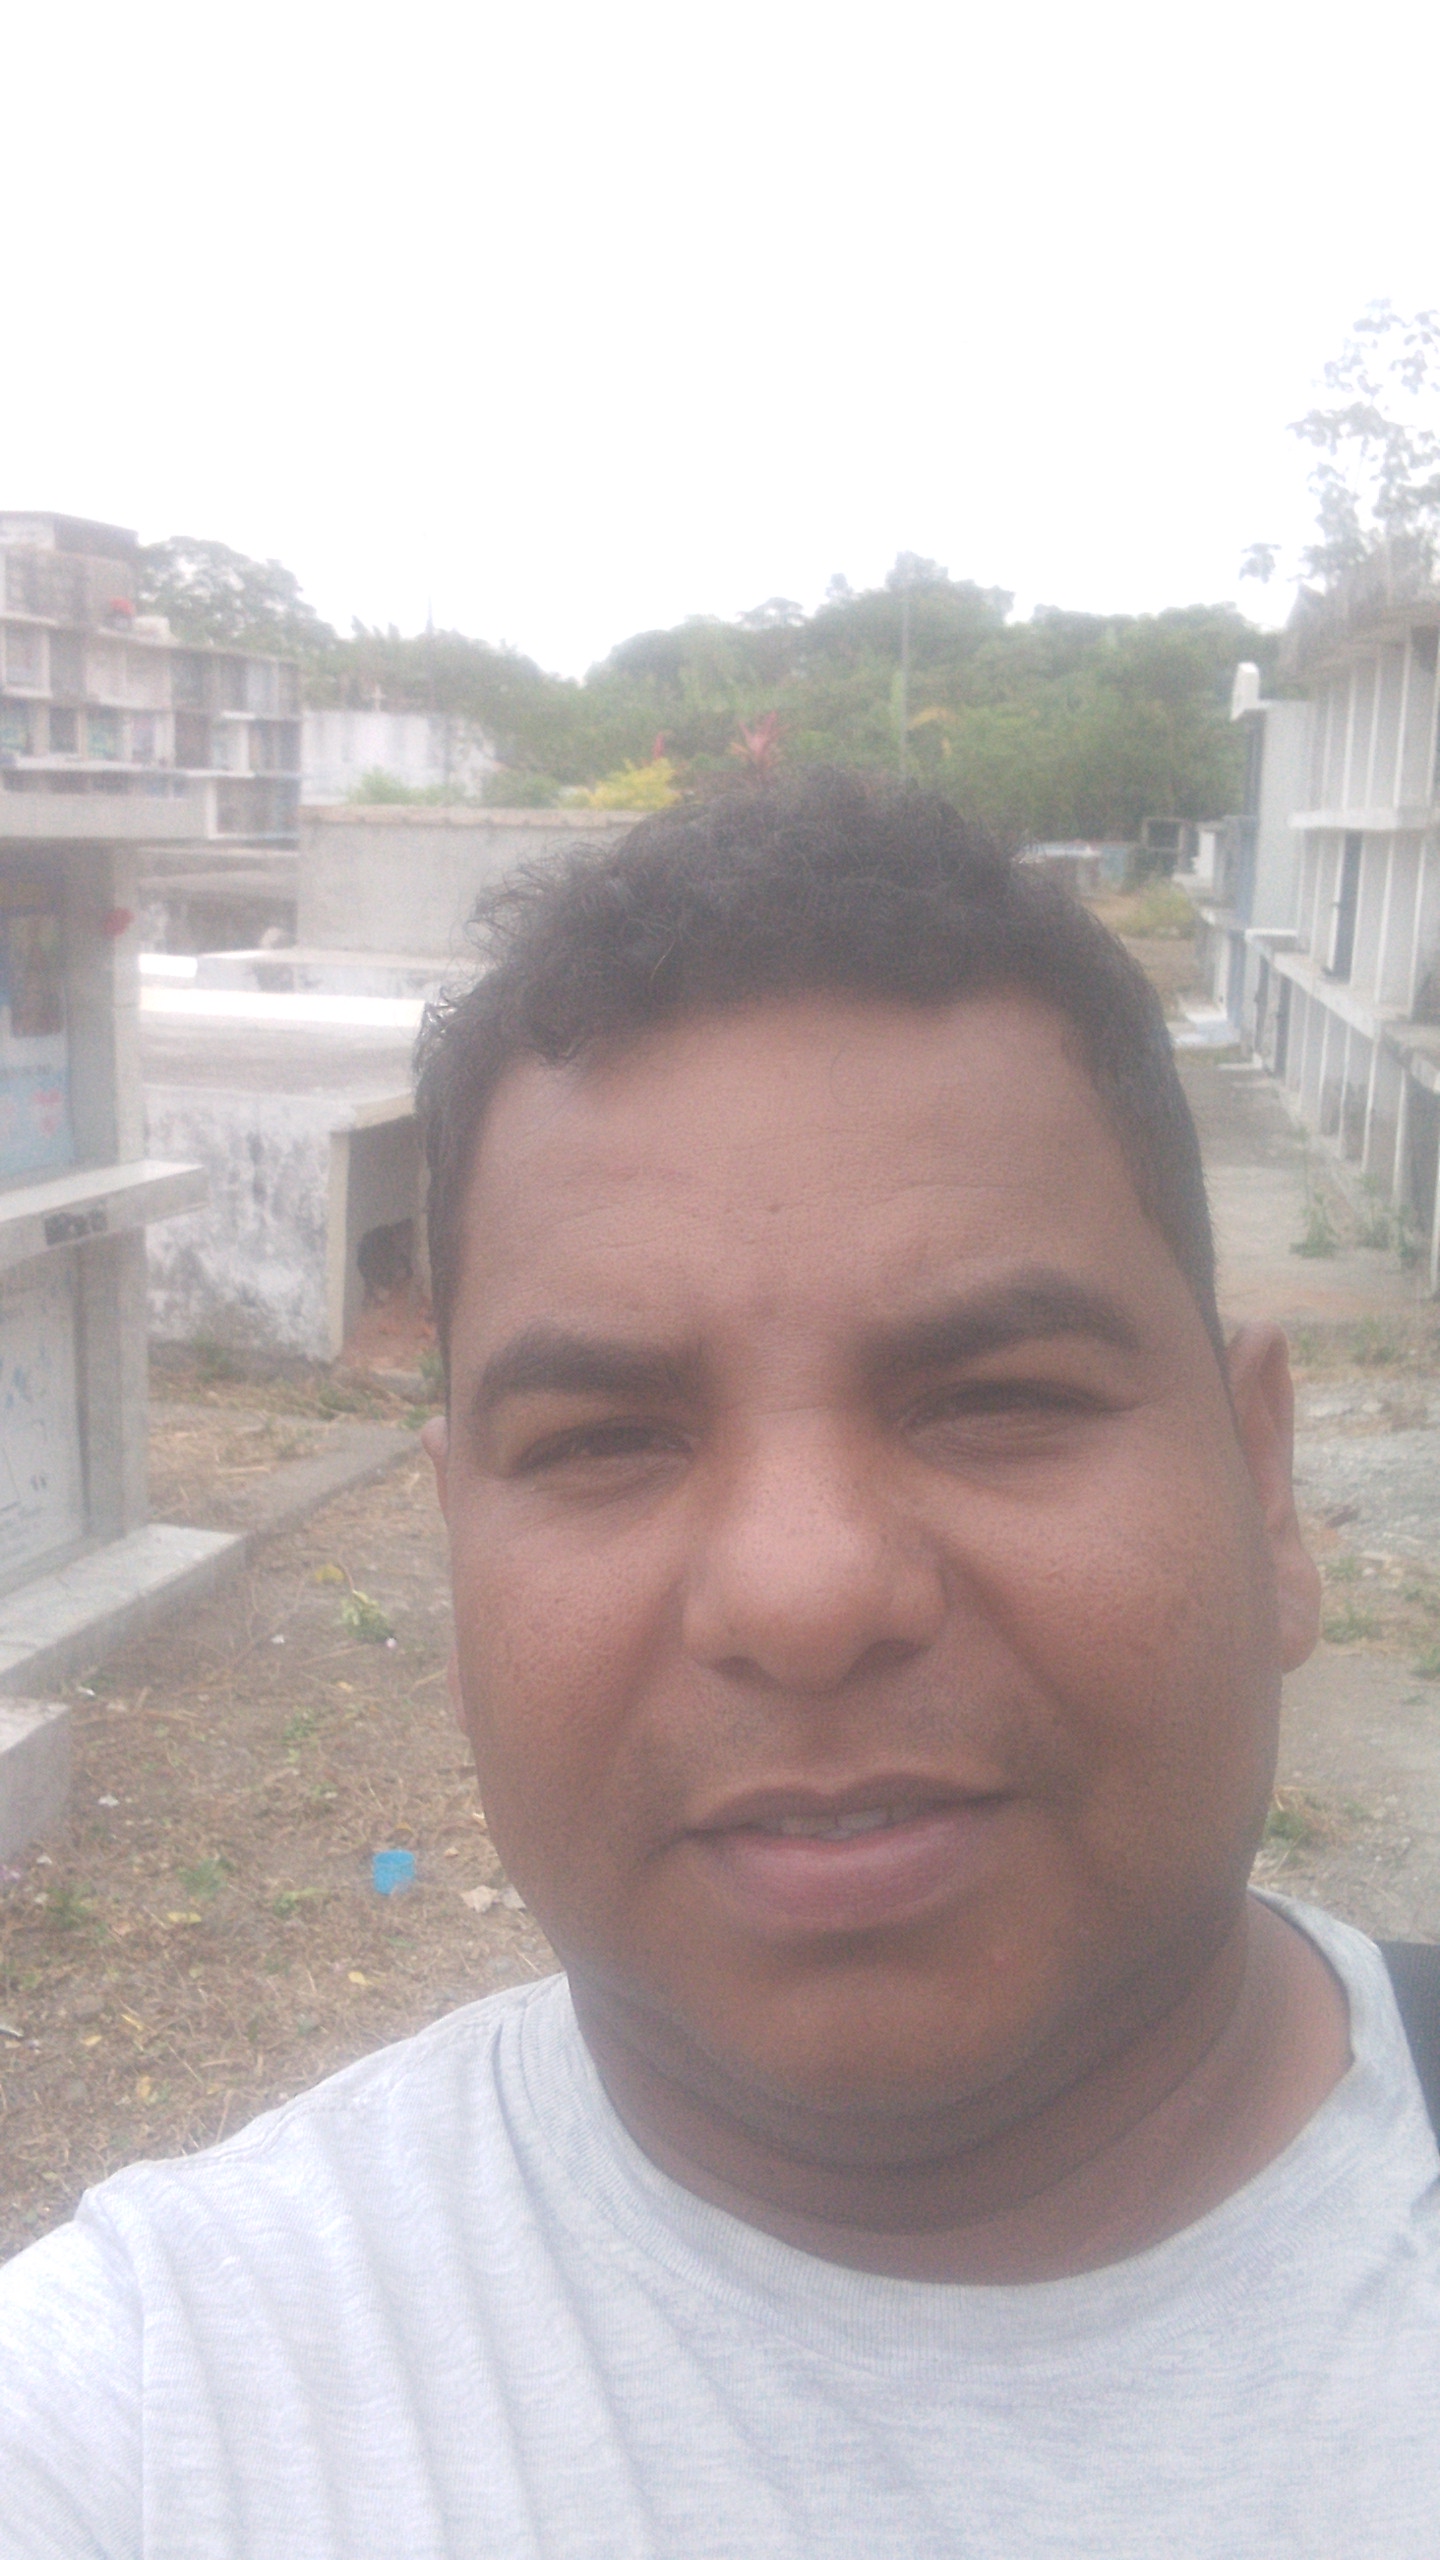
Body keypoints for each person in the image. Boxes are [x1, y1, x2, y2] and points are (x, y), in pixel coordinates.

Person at [2, 773, 1437, 2557]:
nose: (802, 1594)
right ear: (458, 1560)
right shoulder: (140, 2430)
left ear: (1263, 1486)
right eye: (605, 1440)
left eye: (996, 1400)